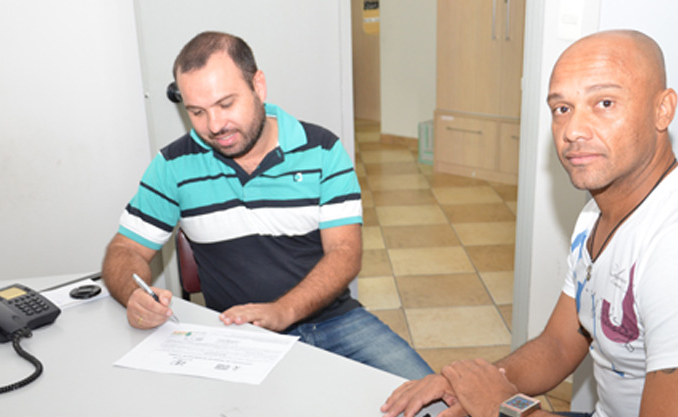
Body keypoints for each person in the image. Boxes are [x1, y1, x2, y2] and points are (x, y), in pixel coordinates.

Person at [381, 29, 678, 417]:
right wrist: (474, 383)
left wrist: (509, 414)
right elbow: (560, 344)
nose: (573, 130)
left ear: (663, 109)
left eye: (604, 103)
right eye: (561, 108)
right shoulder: (597, 212)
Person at [102, 31, 432, 380]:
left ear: (258, 86)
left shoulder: (322, 151)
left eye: (226, 104)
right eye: (197, 112)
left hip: (337, 321)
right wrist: (133, 294)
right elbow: (124, 250)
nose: (214, 126)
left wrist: (284, 311)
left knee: (431, 401)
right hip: (242, 336)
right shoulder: (172, 166)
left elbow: (345, 252)